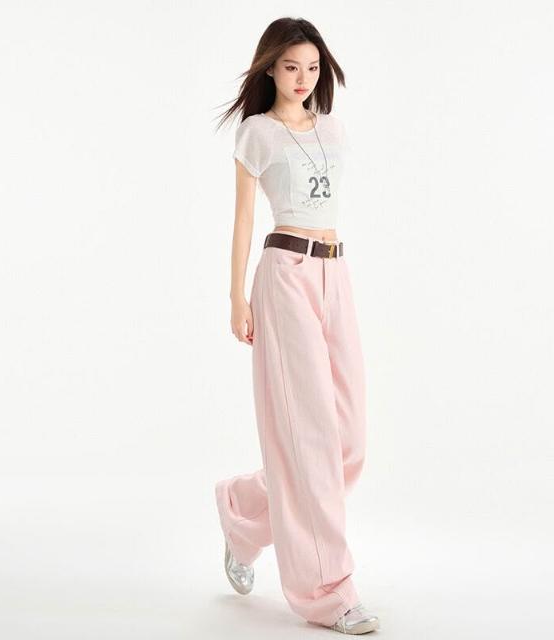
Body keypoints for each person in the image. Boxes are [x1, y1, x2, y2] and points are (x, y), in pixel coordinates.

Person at [214, 17, 380, 635]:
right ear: (270, 69)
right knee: (309, 439)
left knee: (348, 442)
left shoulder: (331, 127)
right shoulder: (256, 132)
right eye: (290, 67)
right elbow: (242, 219)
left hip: (336, 274)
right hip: (284, 273)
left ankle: (243, 508)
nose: (303, 78)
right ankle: (329, 593)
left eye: (312, 67)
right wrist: (237, 297)